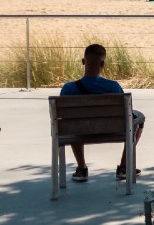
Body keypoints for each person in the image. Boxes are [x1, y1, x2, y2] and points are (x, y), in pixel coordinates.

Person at [59, 44, 144, 182]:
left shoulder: (69, 88)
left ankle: (81, 169)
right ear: (103, 63)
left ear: (83, 62)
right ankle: (124, 167)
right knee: (139, 119)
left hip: (80, 132)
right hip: (111, 130)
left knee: (73, 122)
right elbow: (126, 113)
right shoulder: (113, 86)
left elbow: (64, 117)